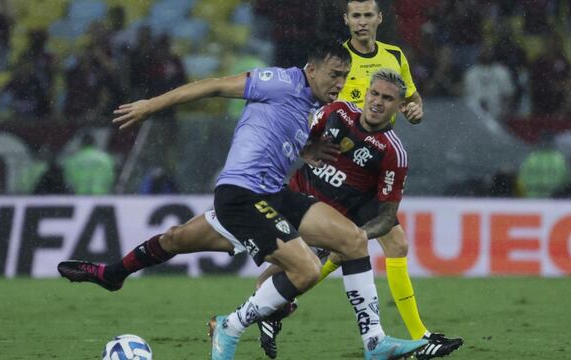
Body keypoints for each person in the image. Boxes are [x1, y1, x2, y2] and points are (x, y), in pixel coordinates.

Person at [58, 42, 428, 360]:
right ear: (311, 70)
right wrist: (151, 106)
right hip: (240, 195)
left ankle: (374, 340)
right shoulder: (281, 81)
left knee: (352, 240)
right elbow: (215, 86)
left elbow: (274, 133)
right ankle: (229, 326)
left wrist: (306, 147)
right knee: (306, 271)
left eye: (345, 75)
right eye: (333, 74)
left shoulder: (310, 106)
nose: (340, 84)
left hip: (269, 195)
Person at [255, 2, 461, 359]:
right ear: (346, 20)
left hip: (372, 166)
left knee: (388, 243)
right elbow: (314, 104)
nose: (362, 22)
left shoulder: (395, 56)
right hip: (335, 169)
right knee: (312, 255)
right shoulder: (338, 61)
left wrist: (416, 110)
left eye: (369, 15)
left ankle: (420, 336)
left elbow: (411, 99)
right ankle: (261, 307)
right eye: (356, 16)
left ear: (380, 19)